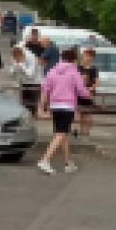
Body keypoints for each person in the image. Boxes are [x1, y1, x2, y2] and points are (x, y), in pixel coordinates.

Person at [36, 47, 91, 175]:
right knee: (61, 134)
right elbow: (82, 90)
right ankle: (45, 160)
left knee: (63, 134)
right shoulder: (73, 72)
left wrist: (40, 107)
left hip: (54, 105)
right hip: (67, 106)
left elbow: (45, 90)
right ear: (74, 59)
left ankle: (67, 163)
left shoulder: (53, 71)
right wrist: (89, 95)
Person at [76, 47, 99, 136]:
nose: (86, 58)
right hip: (79, 93)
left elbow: (97, 82)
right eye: (85, 56)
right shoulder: (78, 67)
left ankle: (86, 131)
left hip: (89, 93)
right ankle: (81, 130)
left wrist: (91, 88)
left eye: (89, 56)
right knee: (80, 112)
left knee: (88, 113)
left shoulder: (94, 69)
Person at [10, 45, 40, 112]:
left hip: (34, 82)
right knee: (24, 104)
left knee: (32, 105)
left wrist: (21, 65)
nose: (16, 60)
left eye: (18, 58)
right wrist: (15, 67)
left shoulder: (31, 57)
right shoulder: (16, 56)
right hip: (24, 83)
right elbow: (12, 72)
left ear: (22, 55)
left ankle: (33, 115)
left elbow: (30, 74)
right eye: (15, 59)